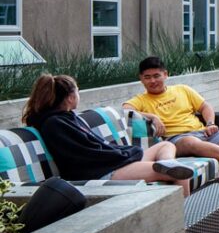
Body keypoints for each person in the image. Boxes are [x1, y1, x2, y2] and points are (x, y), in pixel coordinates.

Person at [23, 74, 194, 195]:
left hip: (112, 163)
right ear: (69, 98)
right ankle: (182, 223)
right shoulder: (55, 124)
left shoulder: (65, 119)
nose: (78, 95)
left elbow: (94, 148)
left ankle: (167, 163)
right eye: (77, 91)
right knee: (182, 173)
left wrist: (125, 152)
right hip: (103, 171)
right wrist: (125, 154)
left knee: (167, 145)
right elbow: (88, 155)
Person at [123, 57, 219, 182]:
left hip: (203, 132)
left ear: (165, 75)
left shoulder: (182, 90)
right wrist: (153, 117)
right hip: (176, 139)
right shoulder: (140, 100)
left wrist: (210, 123)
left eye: (156, 76)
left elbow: (205, 106)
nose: (152, 81)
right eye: (147, 77)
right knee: (191, 142)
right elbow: (125, 110)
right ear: (141, 79)